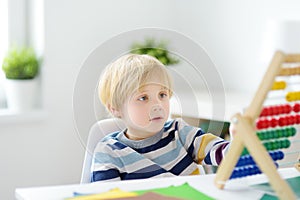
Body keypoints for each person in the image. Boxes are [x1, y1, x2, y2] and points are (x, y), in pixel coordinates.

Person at [91, 54, 231, 182]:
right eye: (143, 98)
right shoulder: (109, 152)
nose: (157, 105)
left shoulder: (180, 133)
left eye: (162, 95)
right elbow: (106, 194)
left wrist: (239, 142)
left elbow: (221, 151)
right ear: (115, 109)